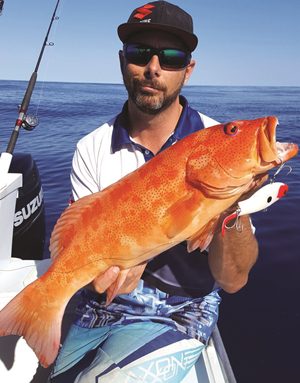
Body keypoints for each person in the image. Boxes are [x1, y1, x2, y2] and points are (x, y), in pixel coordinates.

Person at [49, 2, 260, 382]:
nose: (153, 67)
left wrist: (233, 211)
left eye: (173, 56)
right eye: (140, 53)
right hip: (104, 297)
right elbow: (83, 250)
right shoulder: (91, 147)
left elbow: (233, 280)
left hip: (183, 306)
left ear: (188, 69)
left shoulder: (215, 142)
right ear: (122, 61)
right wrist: (102, 273)